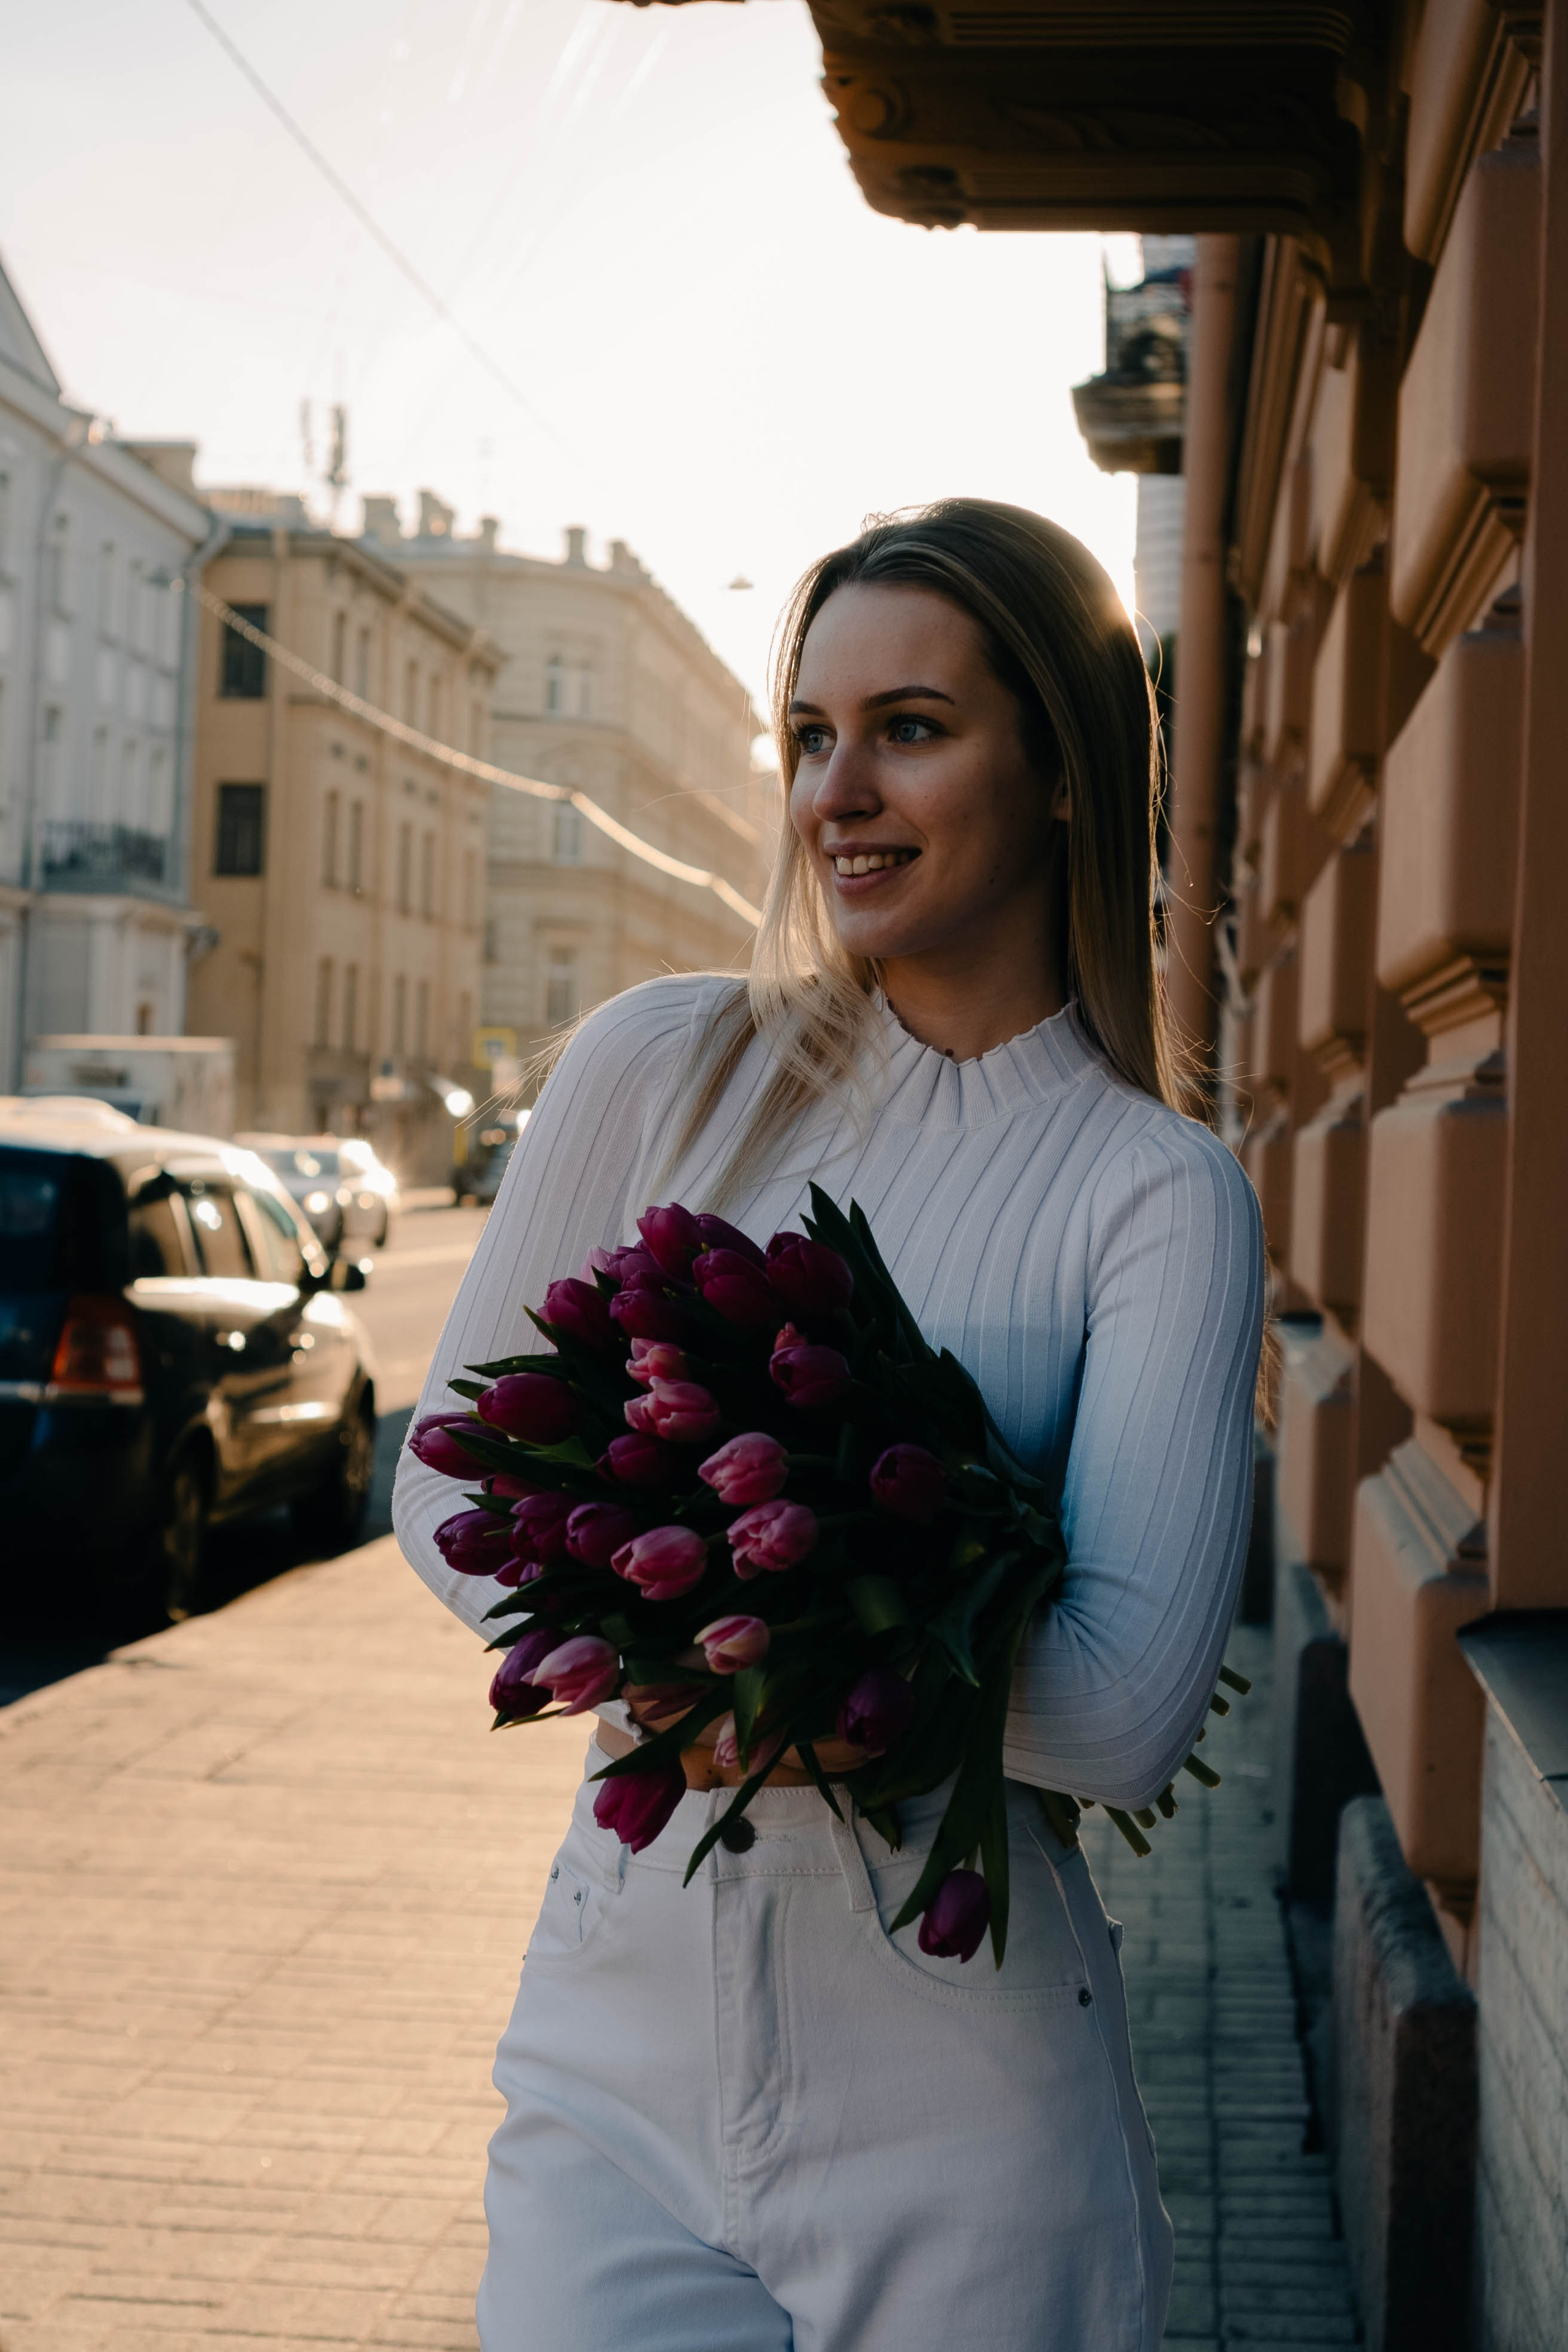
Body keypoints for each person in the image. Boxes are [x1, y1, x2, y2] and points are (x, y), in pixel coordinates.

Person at [393, 497, 1265, 2352]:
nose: (836, 792)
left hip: (964, 2095)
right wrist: (709, 1635)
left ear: (1067, 778)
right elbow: (444, 1481)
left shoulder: (1155, 1193)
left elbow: (1121, 1710)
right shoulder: (665, 1066)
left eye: (913, 729)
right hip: (616, 2046)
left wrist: (730, 1662)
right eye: (810, 734)